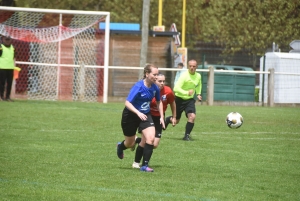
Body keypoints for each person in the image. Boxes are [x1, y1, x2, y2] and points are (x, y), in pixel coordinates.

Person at [116, 63, 165, 172]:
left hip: (145, 114)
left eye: (157, 74)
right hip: (131, 115)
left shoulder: (155, 88)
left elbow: (159, 102)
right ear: (147, 74)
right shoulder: (138, 86)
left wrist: (161, 117)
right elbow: (127, 103)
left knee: (151, 138)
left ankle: (145, 165)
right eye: (154, 74)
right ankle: (121, 146)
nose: (156, 77)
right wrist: (138, 113)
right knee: (130, 143)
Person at [132, 73, 176, 169]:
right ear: (154, 80)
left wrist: (174, 116)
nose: (162, 83)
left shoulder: (168, 91)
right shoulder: (149, 90)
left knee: (154, 144)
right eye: (160, 81)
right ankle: (136, 163)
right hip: (147, 116)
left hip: (159, 117)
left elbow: (172, 103)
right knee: (145, 141)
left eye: (164, 81)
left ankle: (135, 140)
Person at [165, 59, 202, 141]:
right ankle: (168, 119)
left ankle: (186, 136)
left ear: (196, 67)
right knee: (176, 120)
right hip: (179, 99)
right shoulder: (184, 76)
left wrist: (198, 94)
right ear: (188, 66)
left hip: (190, 100)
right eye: (190, 66)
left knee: (192, 116)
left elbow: (199, 84)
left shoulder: (198, 76)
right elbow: (176, 88)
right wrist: (186, 92)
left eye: (194, 66)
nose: (192, 68)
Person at [0, 35, 16, 102]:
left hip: (10, 68)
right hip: (2, 68)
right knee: (2, 83)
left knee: (9, 83)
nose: (7, 41)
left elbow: (14, 57)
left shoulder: (13, 48)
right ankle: (1, 97)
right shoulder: (1, 47)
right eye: (6, 40)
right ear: (3, 40)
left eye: (8, 40)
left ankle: (8, 97)